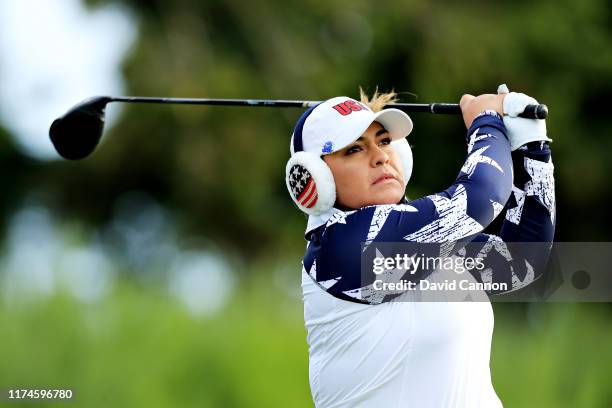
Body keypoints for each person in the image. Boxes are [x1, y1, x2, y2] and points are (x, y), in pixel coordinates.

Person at [285, 86, 555, 407]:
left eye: (384, 141)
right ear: (314, 177)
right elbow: (478, 200)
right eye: (354, 150)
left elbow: (520, 261)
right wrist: (486, 122)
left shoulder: (420, 244)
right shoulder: (343, 248)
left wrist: (533, 148)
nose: (381, 156)